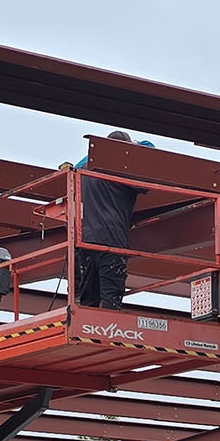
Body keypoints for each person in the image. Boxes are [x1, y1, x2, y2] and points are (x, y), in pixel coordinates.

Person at [75, 132, 137, 309]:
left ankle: (87, 332)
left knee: (88, 299)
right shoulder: (122, 169)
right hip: (111, 242)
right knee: (111, 299)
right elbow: (147, 181)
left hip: (86, 242)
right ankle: (107, 333)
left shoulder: (85, 169)